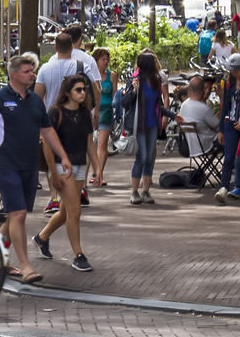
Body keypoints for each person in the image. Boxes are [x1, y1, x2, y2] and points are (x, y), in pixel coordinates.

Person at [0, 52, 68, 286]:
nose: (32, 75)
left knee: (14, 215)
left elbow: (47, 130)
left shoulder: (35, 100)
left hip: (29, 166)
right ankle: (26, 267)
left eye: (32, 71)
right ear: (14, 75)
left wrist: (63, 157)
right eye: (27, 71)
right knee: (19, 215)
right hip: (5, 164)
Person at [35, 74, 97, 272]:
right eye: (78, 89)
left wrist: (98, 169)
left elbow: (89, 143)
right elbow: (46, 145)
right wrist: (54, 173)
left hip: (79, 166)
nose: (83, 93)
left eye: (84, 89)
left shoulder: (85, 113)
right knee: (75, 211)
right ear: (67, 92)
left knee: (65, 211)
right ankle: (78, 255)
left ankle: (41, 238)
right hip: (62, 168)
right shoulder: (55, 113)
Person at [121, 50, 166, 205]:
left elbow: (158, 105)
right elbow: (124, 102)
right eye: (153, 62)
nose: (156, 64)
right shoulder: (135, 81)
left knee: (149, 158)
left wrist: (172, 115)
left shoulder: (156, 81)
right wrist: (133, 91)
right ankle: (134, 192)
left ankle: (146, 191)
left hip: (152, 123)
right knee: (142, 156)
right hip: (138, 124)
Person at [34, 29, 99, 110]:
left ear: (56, 48)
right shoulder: (83, 67)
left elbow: (37, 98)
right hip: (76, 118)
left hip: (51, 118)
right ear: (71, 47)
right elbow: (96, 94)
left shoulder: (44, 68)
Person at [216, 56, 240, 206]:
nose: (235, 73)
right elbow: (224, 107)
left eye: (237, 70)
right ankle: (223, 187)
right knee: (228, 157)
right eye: (232, 70)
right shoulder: (228, 84)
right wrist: (220, 129)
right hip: (230, 124)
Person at [89, 47, 116, 188]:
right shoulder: (91, 75)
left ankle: (98, 175)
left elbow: (115, 95)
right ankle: (95, 171)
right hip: (93, 111)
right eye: (103, 59)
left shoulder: (112, 75)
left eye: (107, 59)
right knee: (91, 143)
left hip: (106, 112)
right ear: (96, 61)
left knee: (102, 143)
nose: (106, 62)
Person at [177, 77, 220, 163]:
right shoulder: (204, 108)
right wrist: (221, 97)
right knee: (231, 139)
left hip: (190, 145)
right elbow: (218, 127)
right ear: (203, 89)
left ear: (189, 89)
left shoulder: (184, 105)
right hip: (206, 145)